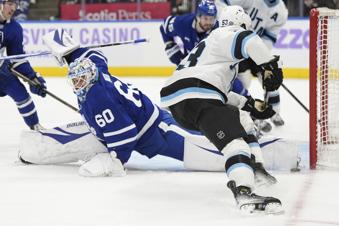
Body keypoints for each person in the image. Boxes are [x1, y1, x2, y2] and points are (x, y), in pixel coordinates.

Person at [160, 5, 283, 213]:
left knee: (243, 118)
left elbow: (220, 94)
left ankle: (255, 166)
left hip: (182, 101)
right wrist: (269, 65)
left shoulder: (213, 48)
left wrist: (250, 104)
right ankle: (244, 190)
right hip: (197, 95)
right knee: (235, 145)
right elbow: (247, 39)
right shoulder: (228, 34)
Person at [214, 0, 288, 132]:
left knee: (270, 79)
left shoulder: (281, 11)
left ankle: (274, 112)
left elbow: (270, 36)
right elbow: (223, 4)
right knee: (243, 82)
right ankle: (246, 115)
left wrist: (259, 53)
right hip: (236, 44)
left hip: (255, 47)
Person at [0, 0, 47, 130]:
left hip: (1, 71)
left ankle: (36, 128)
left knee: (22, 96)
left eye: (15, 4)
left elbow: (17, 59)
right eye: (10, 3)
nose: (13, 8)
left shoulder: (14, 28)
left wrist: (32, 77)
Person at [160, 0, 218, 66]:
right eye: (205, 18)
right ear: (198, 16)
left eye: (211, 19)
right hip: (188, 69)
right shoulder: (183, 23)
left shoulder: (218, 30)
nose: (208, 22)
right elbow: (163, 26)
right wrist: (169, 45)